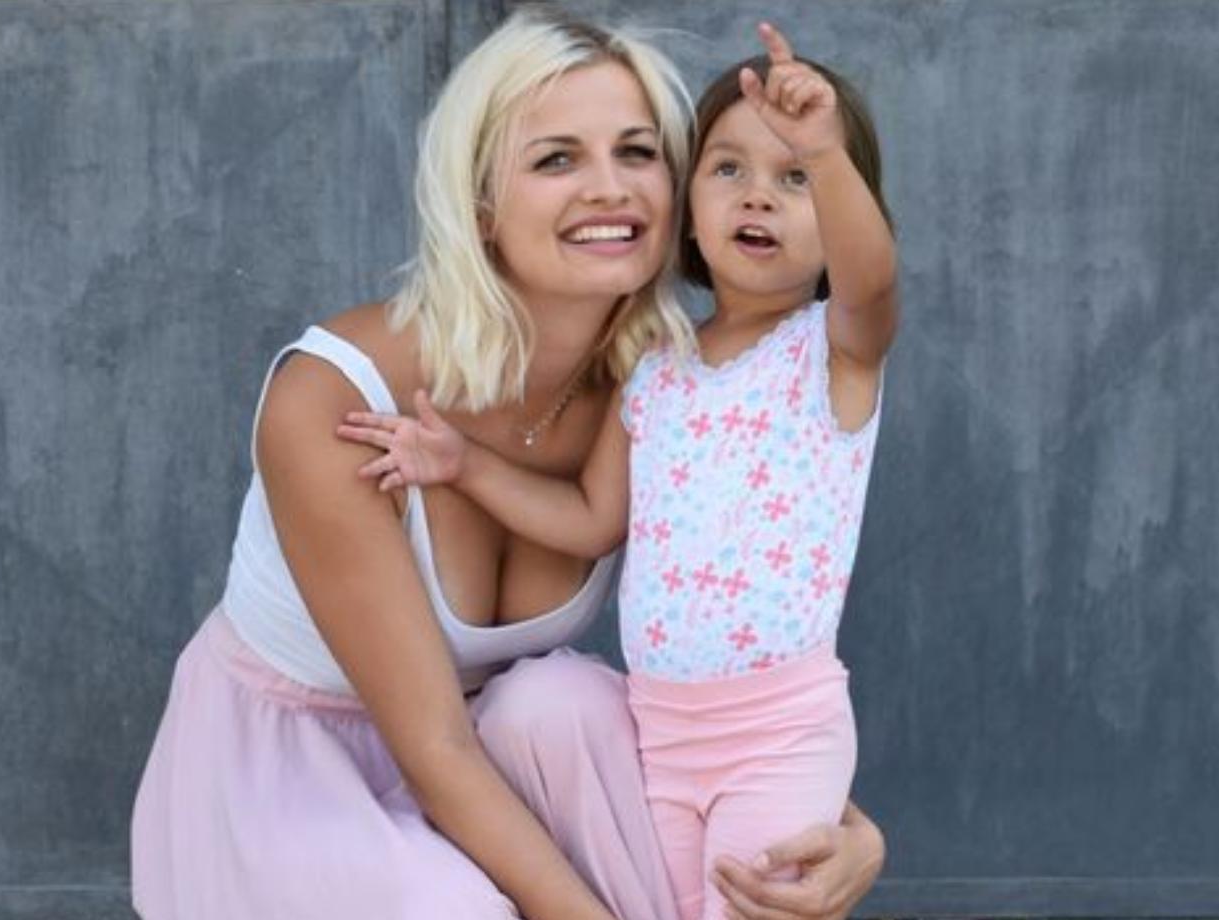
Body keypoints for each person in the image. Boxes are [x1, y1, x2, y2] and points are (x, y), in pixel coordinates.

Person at [133, 7, 884, 920]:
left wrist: (850, 832)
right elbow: (435, 750)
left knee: (555, 701)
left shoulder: (663, 385)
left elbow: (721, 669)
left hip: (496, 770)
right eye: (557, 159)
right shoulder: (336, 399)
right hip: (295, 779)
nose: (610, 189)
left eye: (637, 153)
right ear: (481, 202)